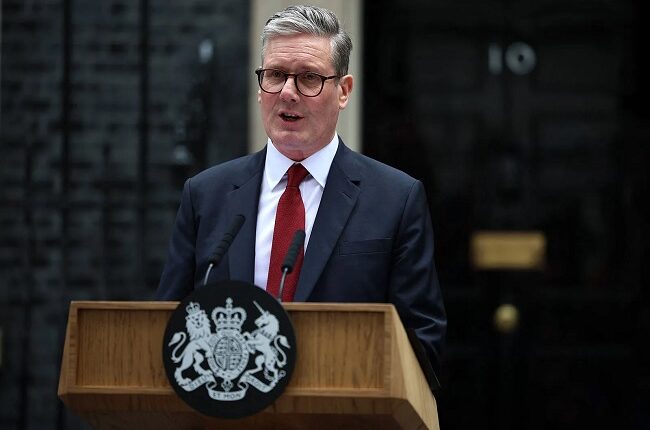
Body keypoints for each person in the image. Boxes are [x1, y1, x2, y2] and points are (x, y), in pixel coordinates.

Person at [156, 5, 446, 377]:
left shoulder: (395, 199)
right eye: (275, 75)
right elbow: (168, 327)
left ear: (343, 91)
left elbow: (422, 343)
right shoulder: (205, 195)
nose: (287, 93)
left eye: (309, 78)